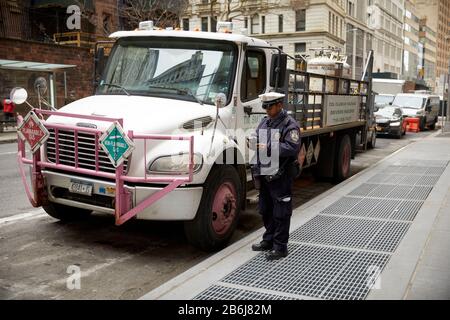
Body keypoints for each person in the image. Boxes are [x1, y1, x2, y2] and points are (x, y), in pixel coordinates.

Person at [249, 92, 301, 260]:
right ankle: (269, 239)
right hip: (264, 173)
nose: (266, 110)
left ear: (279, 105)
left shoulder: (289, 125)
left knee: (281, 212)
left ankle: (280, 247)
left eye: (269, 106)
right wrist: (252, 141)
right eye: (264, 107)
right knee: (265, 209)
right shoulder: (265, 122)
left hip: (281, 175)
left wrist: (269, 146)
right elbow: (257, 139)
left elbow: (292, 147)